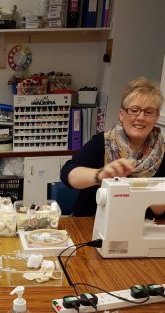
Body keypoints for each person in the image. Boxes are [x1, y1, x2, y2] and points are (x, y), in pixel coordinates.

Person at [61, 77, 165, 216]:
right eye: (134, 110)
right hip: (93, 223)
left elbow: (160, 211)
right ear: (122, 115)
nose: (141, 117)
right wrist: (101, 174)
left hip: (141, 228)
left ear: (156, 117)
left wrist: (150, 191)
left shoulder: (162, 152)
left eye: (149, 112)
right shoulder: (103, 142)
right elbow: (68, 173)